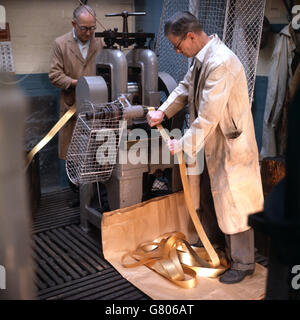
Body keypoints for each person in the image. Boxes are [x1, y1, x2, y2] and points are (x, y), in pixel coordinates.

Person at [147, 11, 264, 284]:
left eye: (178, 45)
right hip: (212, 142)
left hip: (231, 144)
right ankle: (221, 250)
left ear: (190, 36)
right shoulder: (202, 59)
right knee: (215, 197)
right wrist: (162, 112)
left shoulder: (220, 62)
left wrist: (183, 143)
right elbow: (184, 88)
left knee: (235, 202)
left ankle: (244, 263)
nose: (177, 51)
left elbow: (209, 115)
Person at [49, 4, 103, 207]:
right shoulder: (60, 44)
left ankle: (96, 196)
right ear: (74, 24)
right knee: (73, 155)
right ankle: (78, 195)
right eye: (84, 28)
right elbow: (54, 75)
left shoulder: (101, 43)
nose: (88, 33)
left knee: (98, 152)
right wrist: (77, 84)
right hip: (72, 109)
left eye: (92, 28)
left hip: (97, 110)